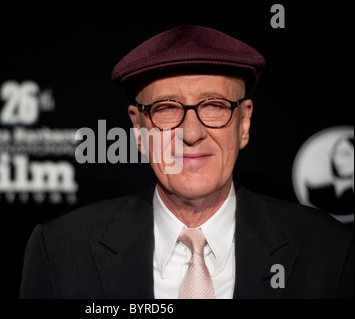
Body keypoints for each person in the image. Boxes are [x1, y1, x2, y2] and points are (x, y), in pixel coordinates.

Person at [19, 25, 354, 299]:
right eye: (167, 108)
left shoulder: (329, 251)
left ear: (245, 124)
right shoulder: (60, 251)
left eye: (214, 106)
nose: (192, 133)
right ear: (138, 129)